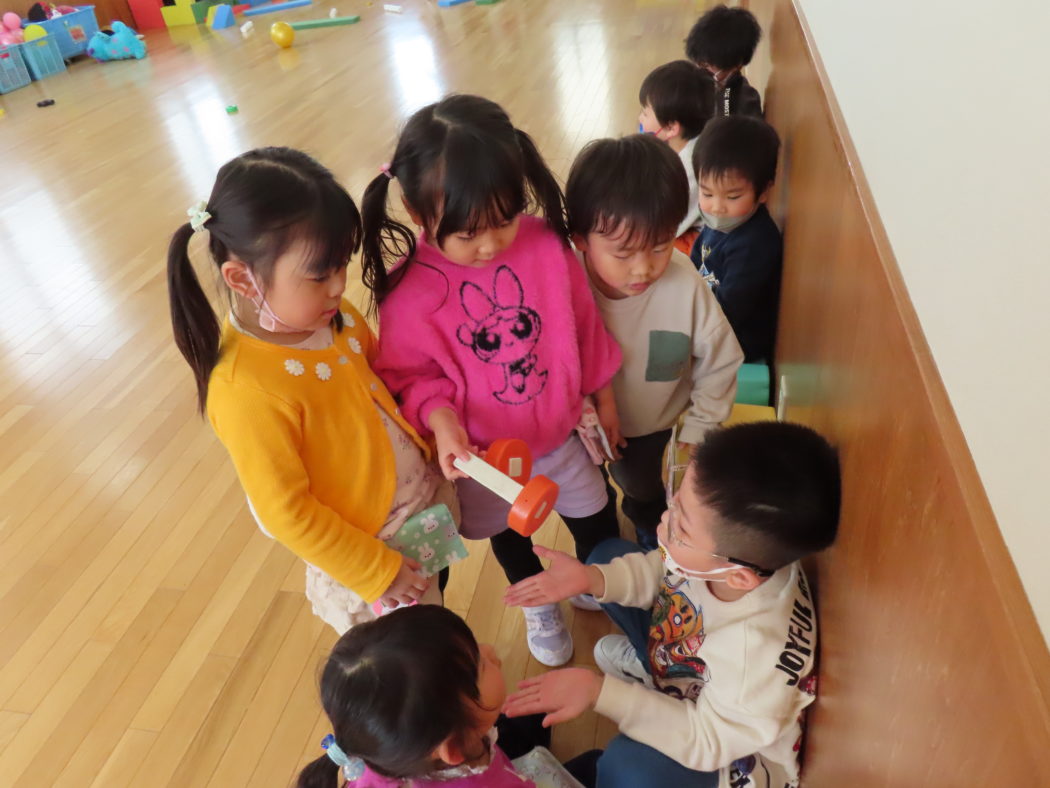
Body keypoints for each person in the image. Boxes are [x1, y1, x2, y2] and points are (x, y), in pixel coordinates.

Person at [361, 94, 622, 667]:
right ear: (416, 211)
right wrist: (444, 424)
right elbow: (412, 379)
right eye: (469, 233)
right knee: (511, 535)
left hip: (560, 434)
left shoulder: (546, 246)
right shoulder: (409, 294)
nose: (491, 244)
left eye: (505, 219)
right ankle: (536, 601)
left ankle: (594, 579)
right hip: (487, 460)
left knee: (597, 514)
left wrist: (604, 399)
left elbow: (584, 327)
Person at [167, 147, 454, 635]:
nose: (339, 286)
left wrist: (436, 429)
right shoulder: (245, 392)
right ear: (242, 279)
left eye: (342, 264)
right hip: (374, 560)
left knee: (440, 619)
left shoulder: (331, 317)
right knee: (416, 658)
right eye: (320, 274)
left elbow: (387, 383)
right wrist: (376, 571)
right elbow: (286, 512)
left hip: (417, 515)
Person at [502, 422, 841, 788]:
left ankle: (661, 679)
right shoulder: (734, 560)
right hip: (699, 673)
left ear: (739, 577)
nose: (665, 520)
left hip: (727, 756)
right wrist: (592, 579)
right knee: (606, 558)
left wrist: (601, 692)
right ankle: (661, 673)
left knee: (627, 767)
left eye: (683, 527)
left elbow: (707, 742)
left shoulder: (753, 653)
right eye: (676, 500)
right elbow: (664, 569)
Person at [566, 134, 742, 551]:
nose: (643, 268)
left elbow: (721, 361)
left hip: (654, 427)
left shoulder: (684, 286)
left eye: (660, 247)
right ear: (580, 239)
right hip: (578, 424)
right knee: (588, 493)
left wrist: (700, 426)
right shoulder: (564, 283)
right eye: (623, 254)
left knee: (645, 490)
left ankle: (646, 524)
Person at [295, 605, 589, 788]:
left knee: (530, 714)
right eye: (480, 666)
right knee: (596, 762)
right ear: (455, 747)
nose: (490, 651)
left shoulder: (386, 751)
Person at [690, 115, 782, 364]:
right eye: (707, 193)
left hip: (737, 339)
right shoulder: (722, 221)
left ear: (763, 192)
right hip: (707, 312)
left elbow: (729, 312)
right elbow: (696, 258)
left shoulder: (755, 244)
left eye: (732, 197)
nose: (717, 207)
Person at [636, 60, 716, 248]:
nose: (640, 118)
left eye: (645, 113)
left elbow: (669, 227)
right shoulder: (683, 141)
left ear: (671, 128)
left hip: (698, 237)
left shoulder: (691, 168)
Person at [685, 4, 764, 118]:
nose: (700, 70)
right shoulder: (706, 88)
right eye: (698, 63)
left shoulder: (741, 101)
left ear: (736, 64)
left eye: (706, 65)